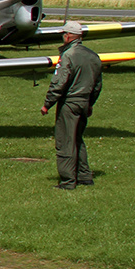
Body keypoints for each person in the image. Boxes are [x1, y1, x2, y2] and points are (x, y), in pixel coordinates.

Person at [41, 21, 102, 190]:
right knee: (77, 139)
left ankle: (68, 181)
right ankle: (84, 175)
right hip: (84, 102)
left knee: (65, 141)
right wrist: (90, 104)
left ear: (68, 36)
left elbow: (59, 83)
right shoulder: (93, 56)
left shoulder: (68, 55)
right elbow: (97, 85)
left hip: (70, 103)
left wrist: (47, 104)